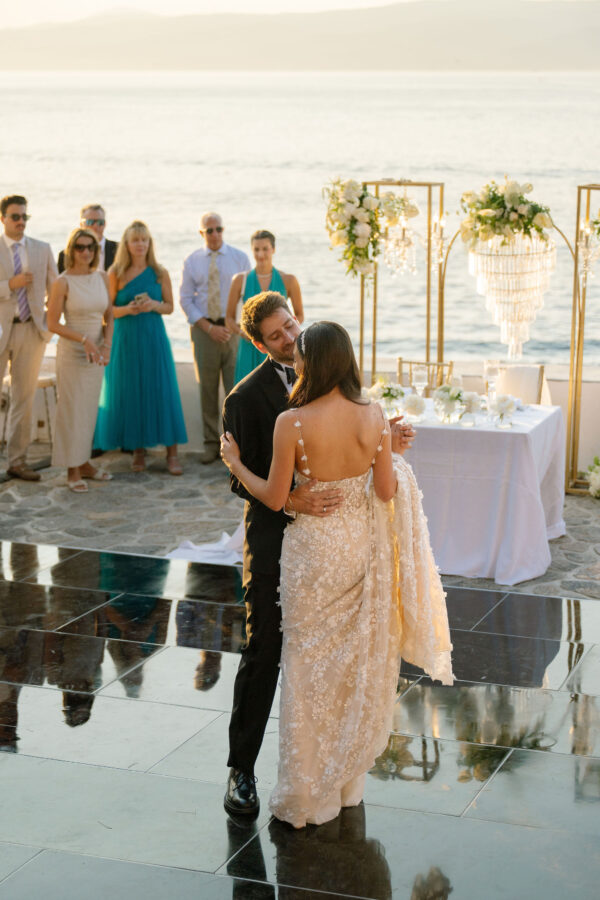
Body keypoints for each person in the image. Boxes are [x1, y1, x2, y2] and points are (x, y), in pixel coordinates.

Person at [221, 318, 453, 828]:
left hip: (310, 556)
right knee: (349, 664)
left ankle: (308, 795)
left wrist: (235, 463)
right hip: (355, 550)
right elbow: (386, 491)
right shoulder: (374, 415)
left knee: (306, 670)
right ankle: (345, 784)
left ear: (311, 362)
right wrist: (385, 451)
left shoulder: (292, 422)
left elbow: (276, 498)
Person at [94, 221, 187, 474]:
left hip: (153, 337)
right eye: (135, 240)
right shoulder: (115, 273)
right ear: (126, 244)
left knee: (162, 389)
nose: (140, 244)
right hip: (126, 339)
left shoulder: (159, 272)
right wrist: (129, 309)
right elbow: (107, 311)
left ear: (149, 243)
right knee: (130, 391)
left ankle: (172, 454)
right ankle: (138, 451)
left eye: (144, 240)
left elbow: (169, 307)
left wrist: (153, 305)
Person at [180, 212, 250, 464]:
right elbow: (185, 299)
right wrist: (209, 328)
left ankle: (235, 445)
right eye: (209, 230)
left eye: (218, 229)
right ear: (201, 233)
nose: (214, 234)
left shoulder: (239, 258)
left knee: (235, 390)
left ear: (223, 229)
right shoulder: (192, 261)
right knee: (207, 389)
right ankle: (211, 443)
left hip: (232, 330)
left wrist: (235, 325)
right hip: (204, 331)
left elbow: (247, 297)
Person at [47, 228, 113, 492]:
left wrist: (106, 346)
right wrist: (84, 339)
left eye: (91, 247)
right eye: (80, 247)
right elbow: (52, 323)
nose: (86, 252)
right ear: (71, 250)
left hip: (96, 355)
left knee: (88, 411)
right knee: (71, 411)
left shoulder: (102, 276)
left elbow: (109, 315)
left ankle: (84, 463)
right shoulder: (62, 282)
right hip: (73, 354)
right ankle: (72, 469)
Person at [0, 194, 58, 481]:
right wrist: (9, 285)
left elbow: (56, 290)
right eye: (15, 217)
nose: (21, 221)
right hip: (1, 329)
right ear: (2, 218)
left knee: (23, 399)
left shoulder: (41, 249)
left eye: (24, 216)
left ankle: (17, 462)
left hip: (30, 330)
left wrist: (48, 326)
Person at [225, 229, 304, 383]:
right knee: (246, 387)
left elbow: (299, 315)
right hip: (249, 346)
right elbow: (228, 319)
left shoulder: (289, 280)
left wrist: (285, 332)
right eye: (256, 249)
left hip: (278, 346)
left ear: (273, 249)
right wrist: (243, 333)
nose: (260, 254)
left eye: (265, 249)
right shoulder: (240, 280)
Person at [58, 204, 117, 274]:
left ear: (105, 224)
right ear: (81, 224)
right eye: (90, 222)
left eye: (100, 222)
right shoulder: (65, 255)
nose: (95, 226)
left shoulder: (119, 249)